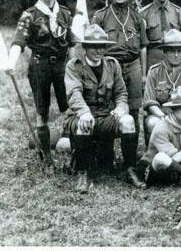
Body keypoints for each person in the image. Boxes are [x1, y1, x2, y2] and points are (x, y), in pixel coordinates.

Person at [63, 24, 146, 193]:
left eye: (101, 46)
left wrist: (122, 108)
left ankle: (130, 169)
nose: (98, 50)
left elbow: (121, 93)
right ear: (85, 47)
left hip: (105, 116)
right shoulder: (74, 66)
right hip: (80, 116)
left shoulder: (112, 64)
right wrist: (84, 112)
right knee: (83, 124)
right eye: (93, 46)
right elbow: (74, 94)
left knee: (129, 121)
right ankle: (82, 173)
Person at [7, 0, 74, 166]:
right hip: (40, 66)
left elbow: (71, 43)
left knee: (69, 106)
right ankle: (46, 159)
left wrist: (74, 67)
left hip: (62, 65)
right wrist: (10, 62)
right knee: (42, 110)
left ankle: (75, 151)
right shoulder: (29, 14)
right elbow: (18, 41)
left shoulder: (65, 13)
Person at [91, 0, 148, 136]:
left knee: (134, 109)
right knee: (107, 107)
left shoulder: (137, 17)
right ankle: (106, 150)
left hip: (133, 65)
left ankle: (130, 156)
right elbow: (92, 46)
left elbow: (143, 47)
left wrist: (143, 75)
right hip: (109, 65)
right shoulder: (100, 16)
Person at [143, 29, 181, 137]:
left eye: (179, 51)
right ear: (164, 51)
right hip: (162, 114)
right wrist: (163, 117)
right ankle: (157, 151)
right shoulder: (154, 72)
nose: (176, 55)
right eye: (171, 51)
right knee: (153, 123)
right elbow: (149, 102)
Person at [140, 0, 181, 69]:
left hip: (175, 57)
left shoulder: (179, 12)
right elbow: (142, 46)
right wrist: (143, 73)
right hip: (152, 59)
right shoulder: (143, 14)